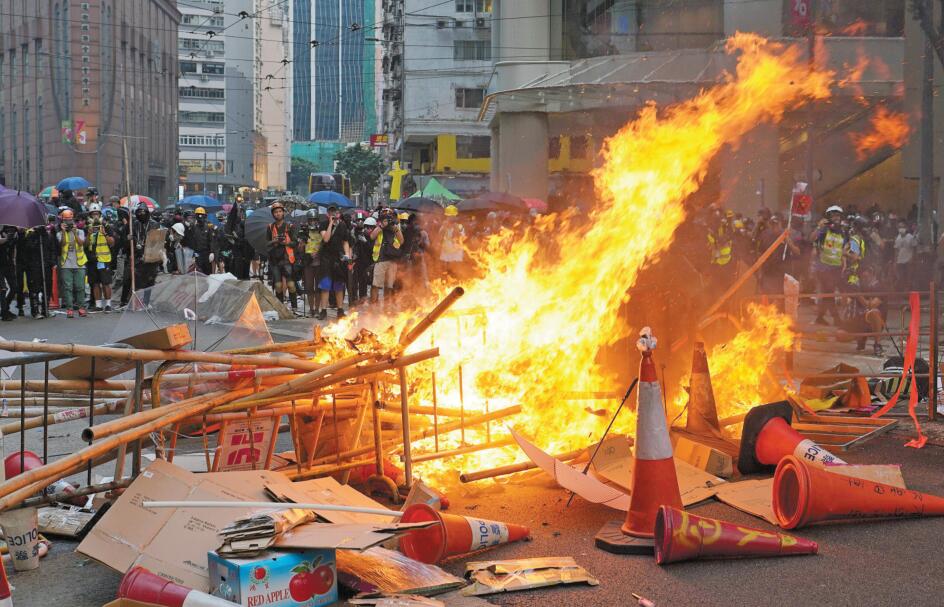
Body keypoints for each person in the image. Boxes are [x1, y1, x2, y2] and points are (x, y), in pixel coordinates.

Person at [119, 203, 161, 307]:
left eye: (143, 212)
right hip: (135, 255)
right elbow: (124, 240)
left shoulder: (154, 225)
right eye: (139, 212)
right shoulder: (133, 224)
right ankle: (124, 301)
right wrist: (129, 239)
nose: (141, 214)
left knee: (149, 279)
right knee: (128, 277)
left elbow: (157, 241)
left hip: (150, 256)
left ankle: (146, 302)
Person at [810, 205, 847, 325]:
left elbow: (844, 248)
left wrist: (844, 261)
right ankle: (836, 319)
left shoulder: (843, 231)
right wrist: (818, 227)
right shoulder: (824, 230)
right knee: (829, 293)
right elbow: (812, 238)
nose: (836, 217)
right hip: (824, 268)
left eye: (838, 215)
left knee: (827, 294)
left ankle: (820, 317)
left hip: (836, 268)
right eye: (834, 215)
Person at [315, 205, 352, 319]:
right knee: (325, 285)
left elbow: (345, 242)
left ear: (338, 213)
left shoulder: (343, 225)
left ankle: (340, 310)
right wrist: (331, 224)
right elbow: (326, 239)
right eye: (331, 212)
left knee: (339, 285)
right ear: (327, 214)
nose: (333, 214)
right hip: (326, 258)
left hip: (339, 259)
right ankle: (324, 310)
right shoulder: (323, 224)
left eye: (335, 212)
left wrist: (347, 255)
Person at [22, 217, 58, 319]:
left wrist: (53, 262)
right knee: (35, 288)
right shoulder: (30, 235)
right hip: (34, 266)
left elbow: (53, 250)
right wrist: (36, 238)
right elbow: (27, 250)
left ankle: (45, 309)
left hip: (46, 265)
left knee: (47, 287)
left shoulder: (48, 236)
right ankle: (35, 311)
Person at [266, 201, 298, 313]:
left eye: (280, 211)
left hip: (287, 258)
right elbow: (267, 243)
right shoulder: (270, 227)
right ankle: (280, 308)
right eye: (276, 212)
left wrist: (285, 242)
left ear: (283, 213)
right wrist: (274, 241)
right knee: (278, 285)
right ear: (273, 214)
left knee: (291, 284)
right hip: (275, 260)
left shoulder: (289, 226)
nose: (278, 214)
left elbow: (295, 243)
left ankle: (294, 307)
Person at [84, 203, 116, 313]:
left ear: (100, 214)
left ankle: (108, 304)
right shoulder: (87, 227)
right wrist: (88, 234)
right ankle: (98, 305)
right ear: (90, 215)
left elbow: (112, 243)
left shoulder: (107, 226)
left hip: (104, 259)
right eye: (93, 214)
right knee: (95, 283)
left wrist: (105, 234)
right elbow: (85, 244)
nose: (95, 216)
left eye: (97, 213)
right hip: (92, 260)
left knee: (106, 283)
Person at [369, 208, 404, 308]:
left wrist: (395, 229)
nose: (387, 221)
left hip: (392, 259)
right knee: (375, 285)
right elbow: (372, 236)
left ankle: (387, 307)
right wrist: (381, 226)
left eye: (389, 218)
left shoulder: (395, 227)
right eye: (385, 219)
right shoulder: (379, 227)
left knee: (389, 286)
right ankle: (373, 305)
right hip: (380, 259)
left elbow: (401, 241)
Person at [56, 209, 88, 318]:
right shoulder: (60, 233)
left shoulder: (80, 231)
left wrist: (74, 232)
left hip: (79, 263)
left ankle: (81, 308)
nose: (69, 223)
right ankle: (69, 309)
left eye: (70, 220)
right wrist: (64, 232)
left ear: (73, 220)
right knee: (67, 287)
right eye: (66, 220)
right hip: (66, 264)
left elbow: (81, 243)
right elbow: (62, 244)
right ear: (62, 221)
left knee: (80, 287)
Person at [296, 210, 324, 316]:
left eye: (314, 220)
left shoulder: (321, 230)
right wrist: (301, 245)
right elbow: (299, 249)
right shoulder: (303, 232)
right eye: (310, 220)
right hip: (308, 263)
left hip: (319, 262)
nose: (312, 222)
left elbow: (324, 243)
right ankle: (311, 308)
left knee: (318, 287)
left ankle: (317, 308)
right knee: (309, 286)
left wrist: (318, 252)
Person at [183, 207, 217, 275]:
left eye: (201, 215)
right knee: (198, 273)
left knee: (208, 273)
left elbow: (211, 240)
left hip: (207, 253)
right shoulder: (193, 227)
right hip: (197, 253)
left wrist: (212, 252)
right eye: (198, 215)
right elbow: (190, 239)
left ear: (204, 216)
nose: (200, 217)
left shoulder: (208, 226)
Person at [438, 205, 464, 279]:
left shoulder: (459, 226)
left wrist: (456, 230)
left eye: (452, 216)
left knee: (455, 269)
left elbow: (462, 238)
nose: (450, 218)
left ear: (455, 217)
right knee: (445, 269)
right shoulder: (444, 226)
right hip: (446, 250)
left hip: (456, 251)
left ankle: (456, 281)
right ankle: (445, 282)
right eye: (448, 216)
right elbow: (439, 237)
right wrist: (444, 228)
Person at [894, 221, 917, 291]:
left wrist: (912, 259)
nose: (901, 229)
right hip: (900, 261)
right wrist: (895, 260)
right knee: (900, 277)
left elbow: (914, 248)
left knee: (909, 277)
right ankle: (901, 291)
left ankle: (908, 291)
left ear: (906, 228)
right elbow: (896, 250)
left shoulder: (910, 237)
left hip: (908, 260)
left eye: (902, 227)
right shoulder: (898, 238)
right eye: (899, 227)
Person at [0, 226, 17, 321]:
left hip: (9, 264)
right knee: (3, 289)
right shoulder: (4, 233)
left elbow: (14, 248)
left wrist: (14, 260)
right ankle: (4, 313)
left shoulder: (14, 231)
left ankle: (5, 309)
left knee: (15, 288)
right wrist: (6, 238)